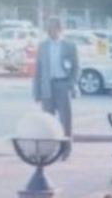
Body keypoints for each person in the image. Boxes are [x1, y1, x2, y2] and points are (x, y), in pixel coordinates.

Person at [32, 16, 78, 159]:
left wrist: (71, 84)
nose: (51, 32)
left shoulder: (69, 46)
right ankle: (49, 150)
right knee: (48, 121)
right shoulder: (43, 46)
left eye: (53, 28)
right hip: (47, 86)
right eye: (48, 29)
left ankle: (66, 149)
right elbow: (38, 70)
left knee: (65, 120)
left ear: (59, 29)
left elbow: (76, 67)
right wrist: (37, 91)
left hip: (62, 85)